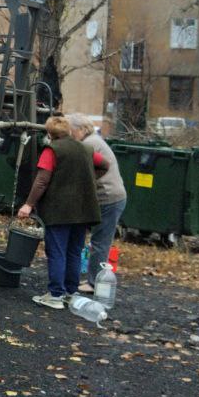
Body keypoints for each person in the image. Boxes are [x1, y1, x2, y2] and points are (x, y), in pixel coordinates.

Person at [17, 115, 103, 310]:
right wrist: (88, 179)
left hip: (60, 210)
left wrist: (28, 205)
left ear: (49, 133)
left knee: (57, 251)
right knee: (74, 251)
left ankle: (55, 295)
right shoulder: (86, 149)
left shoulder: (52, 150)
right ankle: (70, 294)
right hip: (83, 209)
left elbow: (41, 181)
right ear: (69, 131)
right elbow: (104, 164)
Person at [66, 113, 126, 294]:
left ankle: (94, 283)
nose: (70, 134)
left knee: (100, 242)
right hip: (111, 197)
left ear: (82, 129)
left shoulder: (88, 144)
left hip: (108, 198)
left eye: (72, 130)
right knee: (99, 241)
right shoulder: (94, 141)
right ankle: (94, 279)